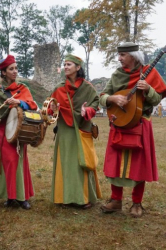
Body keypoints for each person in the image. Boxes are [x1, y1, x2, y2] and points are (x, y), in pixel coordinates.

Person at [99, 42, 166, 217]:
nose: (119, 58)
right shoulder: (117, 75)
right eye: (119, 55)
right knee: (115, 163)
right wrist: (113, 98)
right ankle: (116, 200)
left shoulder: (149, 73)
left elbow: (156, 100)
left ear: (133, 56)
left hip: (140, 123)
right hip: (119, 123)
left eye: (123, 55)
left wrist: (148, 89)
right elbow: (102, 97)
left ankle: (137, 203)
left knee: (138, 165)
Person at [0, 55, 38, 210]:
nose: (15, 71)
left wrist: (19, 102)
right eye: (11, 69)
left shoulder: (23, 89)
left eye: (16, 68)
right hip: (2, 132)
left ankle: (22, 197)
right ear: (3, 72)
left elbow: (33, 105)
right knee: (8, 162)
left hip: (19, 131)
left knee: (20, 162)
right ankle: (10, 196)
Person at [49, 54, 101, 208]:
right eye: (64, 64)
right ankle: (65, 197)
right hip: (64, 130)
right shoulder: (58, 88)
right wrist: (52, 110)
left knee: (81, 163)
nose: (65, 67)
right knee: (66, 163)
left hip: (82, 129)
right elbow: (50, 108)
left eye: (69, 64)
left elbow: (96, 102)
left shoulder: (87, 87)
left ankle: (83, 198)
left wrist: (88, 111)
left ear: (78, 68)